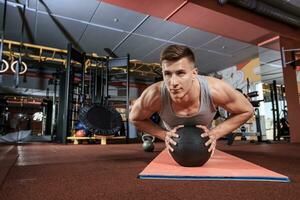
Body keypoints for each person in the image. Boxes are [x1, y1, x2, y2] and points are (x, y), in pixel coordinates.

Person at [129, 44, 254, 155]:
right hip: (170, 130)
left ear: (194, 73)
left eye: (181, 73)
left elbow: (247, 110)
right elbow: (134, 118)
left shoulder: (214, 89)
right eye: (167, 74)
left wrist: (216, 133)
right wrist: (163, 135)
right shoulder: (155, 94)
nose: (173, 82)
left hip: (204, 133)